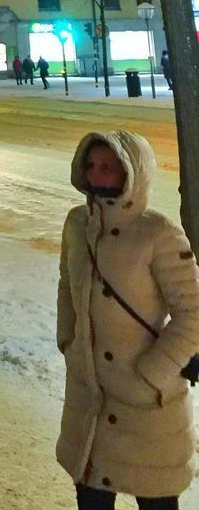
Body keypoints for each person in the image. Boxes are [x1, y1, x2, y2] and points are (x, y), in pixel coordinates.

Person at [57, 131, 199, 508]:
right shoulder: (77, 226)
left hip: (146, 407)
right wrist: (68, 342)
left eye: (109, 167)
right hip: (90, 399)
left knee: (155, 501)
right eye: (91, 166)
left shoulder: (158, 233)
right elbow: (66, 288)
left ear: (132, 172)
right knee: (91, 498)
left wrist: (152, 372)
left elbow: (193, 313)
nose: (97, 175)